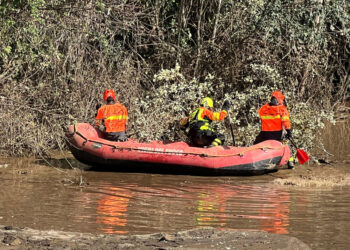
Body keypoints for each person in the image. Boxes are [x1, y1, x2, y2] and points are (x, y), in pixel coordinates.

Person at [253, 90, 294, 168]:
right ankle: (290, 161)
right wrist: (288, 131)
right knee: (285, 145)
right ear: (279, 100)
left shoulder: (263, 108)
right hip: (276, 134)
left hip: (265, 133)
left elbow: (260, 117)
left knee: (255, 144)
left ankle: (253, 158)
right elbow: (286, 121)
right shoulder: (282, 109)